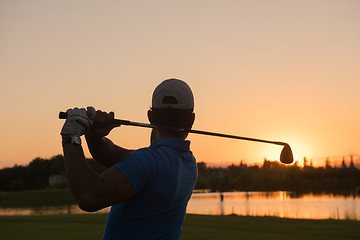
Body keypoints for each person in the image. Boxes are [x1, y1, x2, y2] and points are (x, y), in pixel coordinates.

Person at [60, 78, 198, 240]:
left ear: (150, 117)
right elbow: (114, 156)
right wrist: (94, 137)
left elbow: (89, 196)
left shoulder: (149, 161)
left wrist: (71, 136)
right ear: (191, 120)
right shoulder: (188, 162)